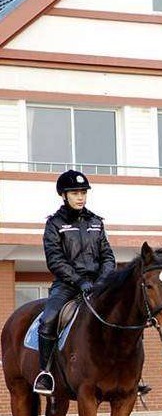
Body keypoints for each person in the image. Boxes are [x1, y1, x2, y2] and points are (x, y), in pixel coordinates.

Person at [34, 169, 116, 395]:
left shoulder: (96, 223)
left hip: (97, 285)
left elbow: (108, 256)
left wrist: (101, 281)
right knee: (48, 320)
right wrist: (79, 281)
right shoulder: (55, 224)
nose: (80, 197)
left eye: (83, 192)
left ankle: (127, 375)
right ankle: (46, 373)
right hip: (67, 285)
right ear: (63, 195)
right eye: (75, 193)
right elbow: (55, 260)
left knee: (122, 314)